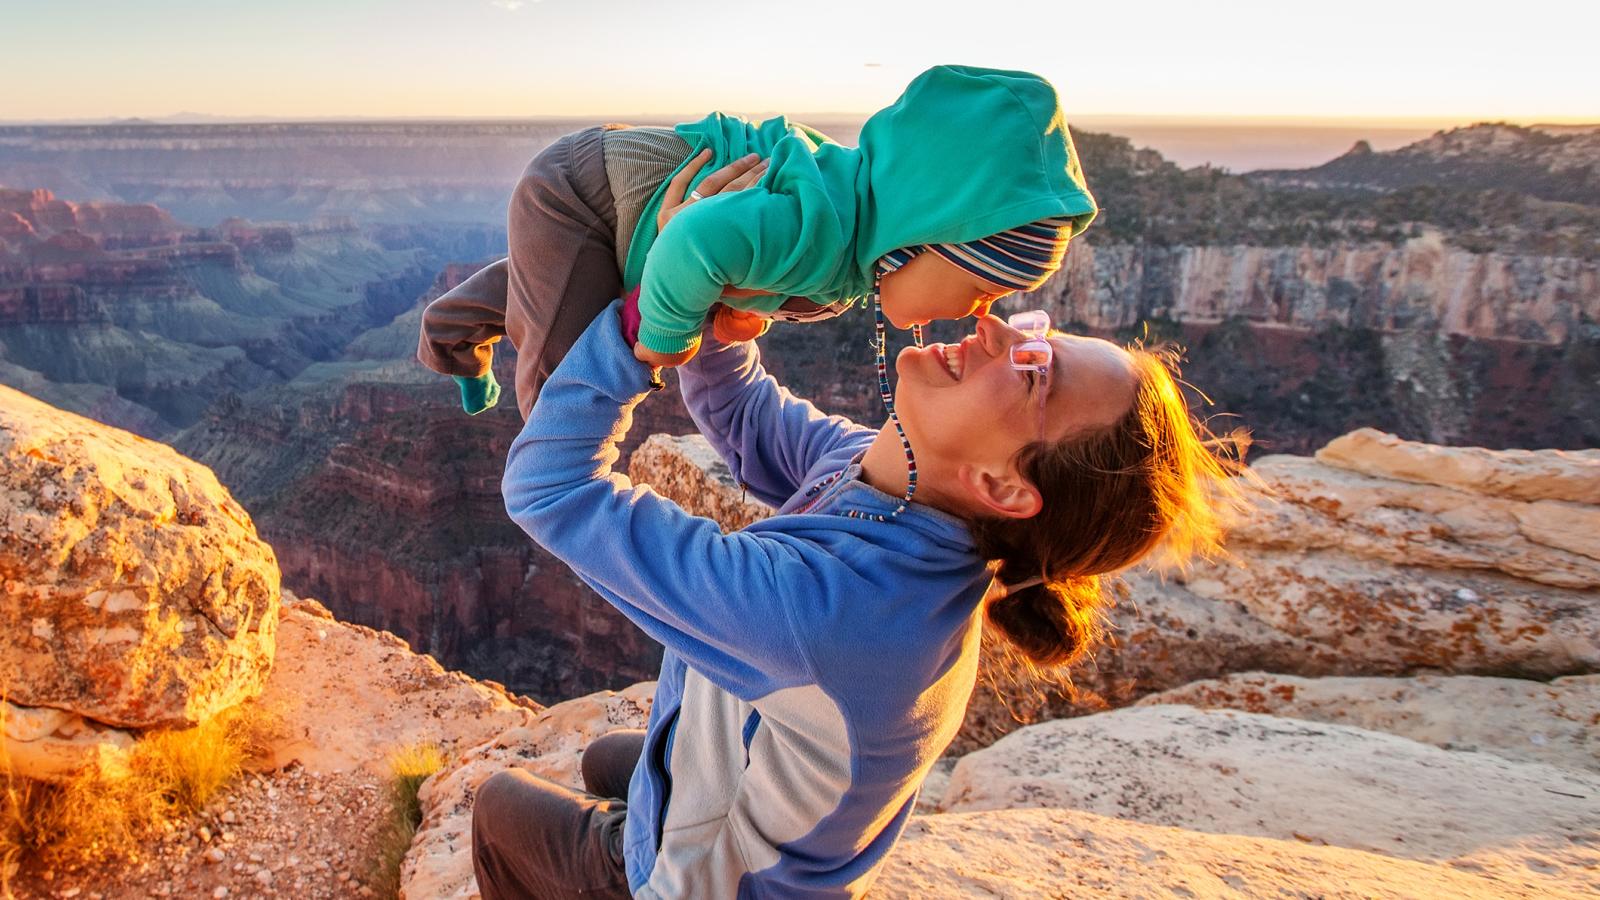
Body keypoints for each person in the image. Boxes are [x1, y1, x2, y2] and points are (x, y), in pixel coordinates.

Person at [468, 192, 1243, 896]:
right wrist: (713, 280)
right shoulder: (896, 480)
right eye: (1036, 330)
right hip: (767, 797)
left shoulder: (839, 615)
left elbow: (550, 488)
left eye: (1034, 369)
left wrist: (645, 324)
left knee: (499, 806)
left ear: (1004, 487)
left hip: (708, 887)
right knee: (606, 759)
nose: (995, 327)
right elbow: (742, 409)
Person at [417, 64, 1098, 420]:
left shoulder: (855, 226)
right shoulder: (820, 231)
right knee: (562, 377)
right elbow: (693, 245)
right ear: (926, 237)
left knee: (541, 288)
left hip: (612, 202)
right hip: (582, 194)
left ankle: (447, 337)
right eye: (982, 286)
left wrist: (747, 307)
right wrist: (665, 341)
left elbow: (740, 262)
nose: (982, 310)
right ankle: (539, 452)